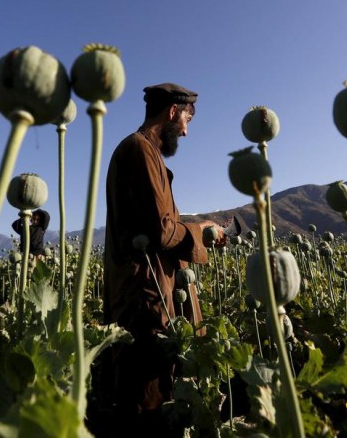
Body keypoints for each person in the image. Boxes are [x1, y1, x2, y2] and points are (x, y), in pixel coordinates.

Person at [94, 82, 225, 437]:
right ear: (171, 113)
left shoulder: (145, 151)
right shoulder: (139, 150)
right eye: (186, 120)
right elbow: (162, 230)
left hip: (151, 287)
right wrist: (203, 231)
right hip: (145, 294)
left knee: (150, 385)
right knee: (146, 392)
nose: (185, 130)